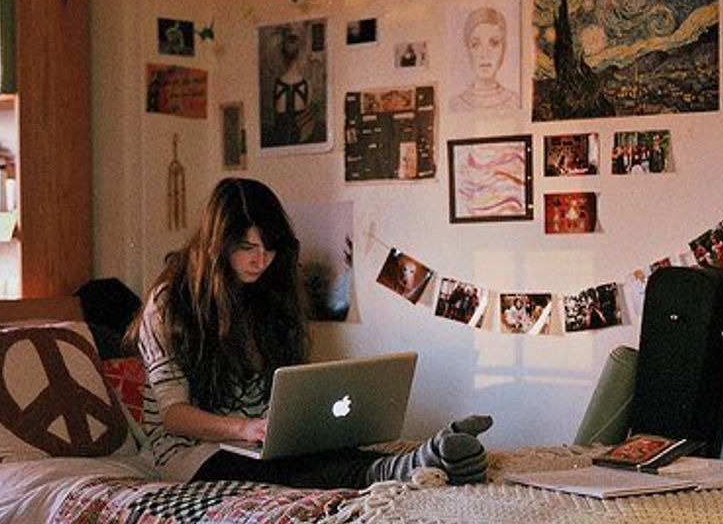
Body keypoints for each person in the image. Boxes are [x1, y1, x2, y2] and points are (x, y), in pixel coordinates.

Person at [128, 177, 492, 488]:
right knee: (286, 471)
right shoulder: (171, 302)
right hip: (191, 452)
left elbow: (284, 389)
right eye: (247, 248)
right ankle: (410, 467)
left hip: (256, 441)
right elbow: (174, 416)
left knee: (325, 454)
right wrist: (244, 428)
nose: (261, 260)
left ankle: (428, 460)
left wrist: (293, 428)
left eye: (270, 248)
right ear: (216, 245)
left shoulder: (265, 292)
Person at [450, 6, 519, 112]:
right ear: (467, 50)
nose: (484, 54)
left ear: (504, 48)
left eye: (494, 43)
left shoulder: (516, 102)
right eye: (476, 44)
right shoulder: (455, 105)